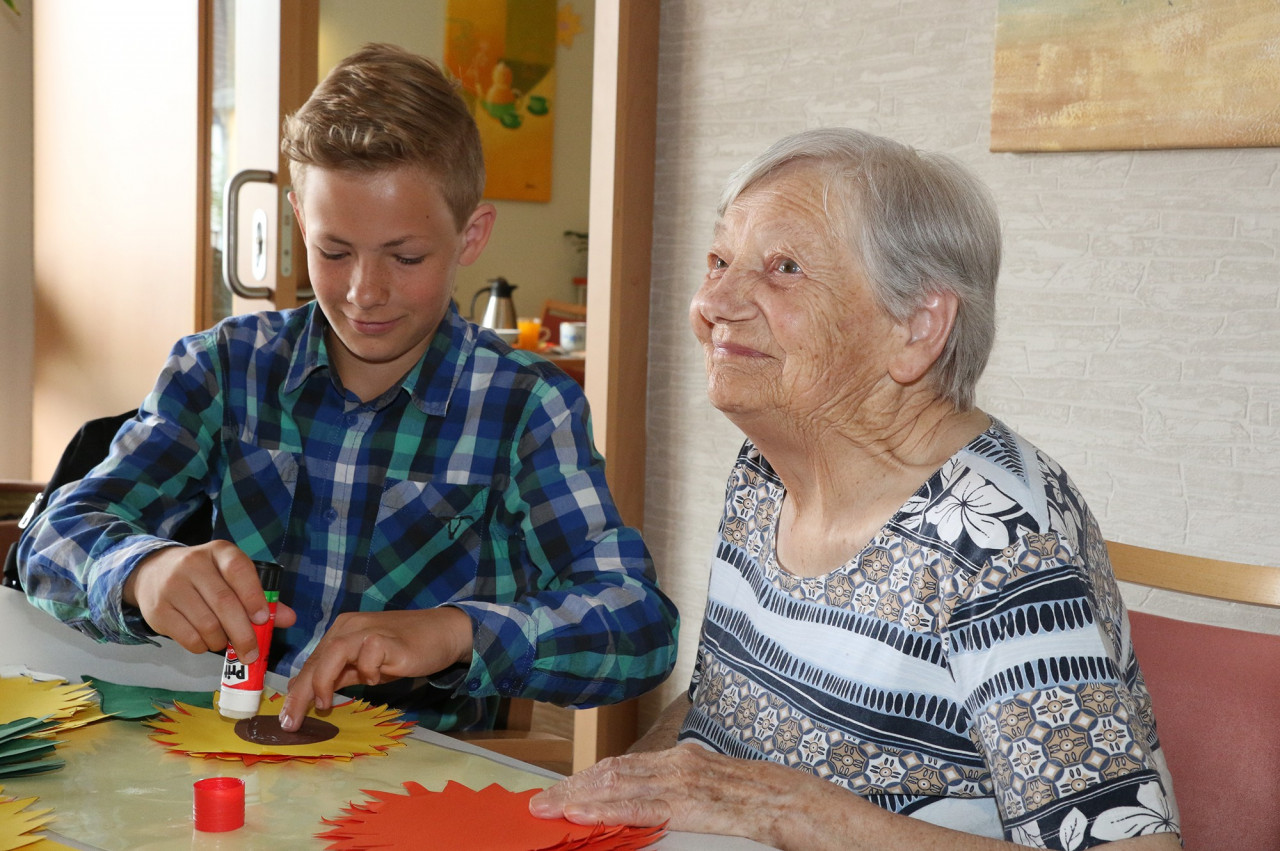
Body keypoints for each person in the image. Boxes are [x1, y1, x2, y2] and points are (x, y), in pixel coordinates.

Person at [530, 128, 1180, 850]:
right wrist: (625, 791)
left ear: (916, 325)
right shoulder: (765, 471)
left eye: (783, 268)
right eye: (719, 259)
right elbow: (716, 714)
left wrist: (805, 814)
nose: (712, 300)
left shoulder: (998, 540)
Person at [17, 43, 678, 734]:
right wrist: (141, 571)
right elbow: (50, 538)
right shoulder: (222, 369)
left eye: (406, 255)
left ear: (471, 234)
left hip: (408, 799)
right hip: (229, 766)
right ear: (301, 220)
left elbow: (639, 625)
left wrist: (456, 631)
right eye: (334, 251)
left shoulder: (525, 406)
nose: (365, 291)